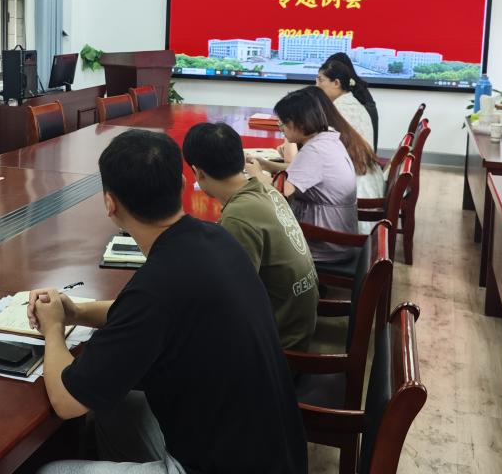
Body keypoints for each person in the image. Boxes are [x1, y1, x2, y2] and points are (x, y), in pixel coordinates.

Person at [28, 129, 308, 474]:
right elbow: (146, 313)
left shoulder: (156, 286)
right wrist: (76, 311)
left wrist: (54, 329)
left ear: (109, 204)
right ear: (182, 184)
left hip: (220, 465)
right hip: (275, 454)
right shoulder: (218, 237)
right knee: (117, 405)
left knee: (48, 471)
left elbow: (67, 402)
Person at [182, 122, 318, 351]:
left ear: (198, 172)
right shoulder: (266, 189)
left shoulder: (238, 217)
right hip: (298, 323)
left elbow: (230, 299)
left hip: (280, 342)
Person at [248, 88, 358, 264]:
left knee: (251, 231)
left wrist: (255, 174)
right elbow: (296, 172)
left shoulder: (314, 151)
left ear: (298, 123)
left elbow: (280, 193)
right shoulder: (326, 138)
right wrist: (266, 164)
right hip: (337, 236)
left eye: (283, 123)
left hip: (323, 244)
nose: (281, 129)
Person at [302, 87, 384, 199]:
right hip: (368, 193)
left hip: (356, 201)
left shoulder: (326, 137)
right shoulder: (340, 127)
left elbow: (302, 174)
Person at [318, 57, 376, 153]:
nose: (317, 86)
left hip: (351, 162)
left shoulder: (339, 108)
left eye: (320, 80)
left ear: (336, 83)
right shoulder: (349, 102)